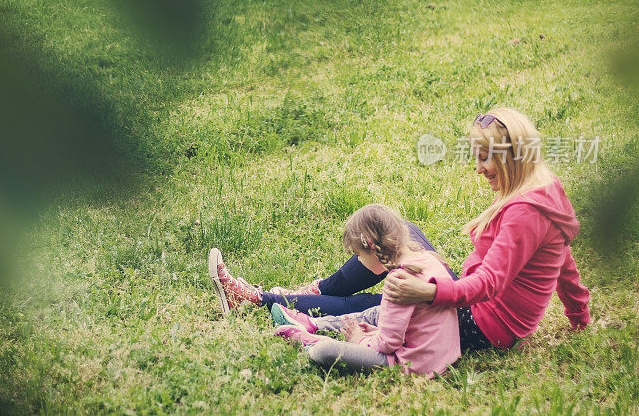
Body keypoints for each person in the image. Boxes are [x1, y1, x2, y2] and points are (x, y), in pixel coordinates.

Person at [208, 107, 591, 353]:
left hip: (481, 324)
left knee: (377, 306)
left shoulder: (526, 212)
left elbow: (490, 283)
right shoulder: (544, 190)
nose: (478, 169)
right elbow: (564, 260)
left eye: (485, 158)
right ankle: (312, 291)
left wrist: (426, 292)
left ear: (511, 155)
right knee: (399, 234)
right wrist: (579, 314)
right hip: (474, 303)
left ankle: (261, 299)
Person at [270, 204, 460, 377]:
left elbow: (388, 344)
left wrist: (361, 340)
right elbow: (416, 323)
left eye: (358, 255)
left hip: (412, 366)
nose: (359, 262)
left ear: (370, 245)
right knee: (372, 317)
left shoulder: (398, 281)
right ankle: (314, 323)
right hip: (443, 357)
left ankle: (311, 341)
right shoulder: (429, 260)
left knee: (326, 351)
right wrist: (376, 333)